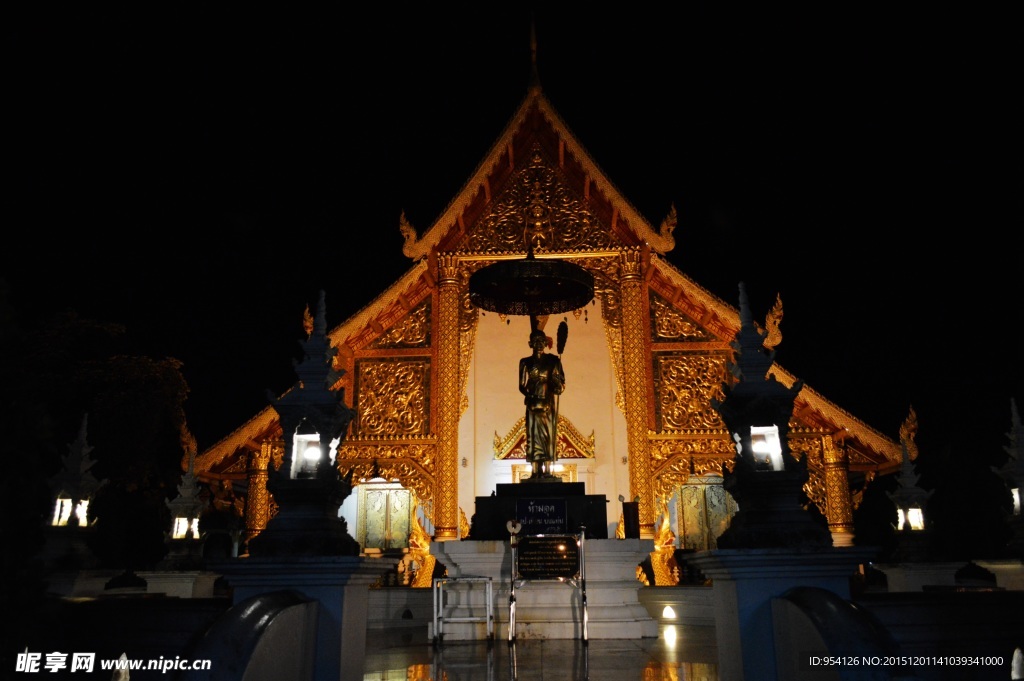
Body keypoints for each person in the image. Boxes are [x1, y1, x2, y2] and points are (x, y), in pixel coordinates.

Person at [519, 329, 565, 477]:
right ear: (530, 343)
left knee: (548, 437)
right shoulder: (525, 362)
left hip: (547, 404)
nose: (539, 344)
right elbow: (521, 385)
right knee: (533, 437)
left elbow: (560, 386)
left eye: (541, 341)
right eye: (535, 341)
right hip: (533, 404)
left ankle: (548, 470)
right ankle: (535, 470)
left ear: (546, 343)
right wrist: (530, 393)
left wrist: (558, 384)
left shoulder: (553, 361)